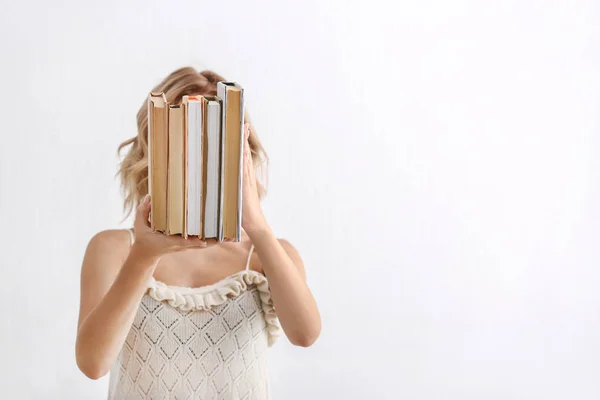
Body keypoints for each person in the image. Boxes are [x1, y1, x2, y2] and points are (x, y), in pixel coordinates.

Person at [75, 67, 321, 399]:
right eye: (182, 143)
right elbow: (93, 363)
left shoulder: (266, 255)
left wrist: (257, 226)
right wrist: (144, 256)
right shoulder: (114, 249)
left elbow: (306, 334)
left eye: (214, 144)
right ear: (155, 152)